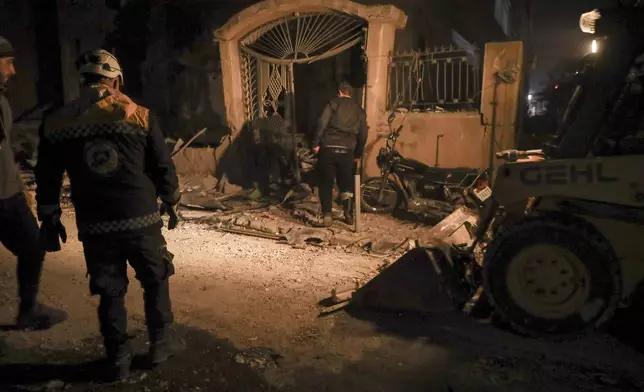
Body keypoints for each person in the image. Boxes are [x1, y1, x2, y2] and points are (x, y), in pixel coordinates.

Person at [35, 49, 183, 381]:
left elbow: (47, 173)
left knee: (109, 289)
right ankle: (161, 344)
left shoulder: (58, 121)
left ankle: (118, 358)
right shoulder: (138, 115)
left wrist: (50, 215)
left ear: (83, 80)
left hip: (95, 223)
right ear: (115, 80)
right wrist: (171, 200)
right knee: (155, 278)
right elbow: (162, 164)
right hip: (141, 218)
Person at [0, 36, 68, 330]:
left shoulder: (1, 101)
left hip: (8, 192)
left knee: (32, 247)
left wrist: (20, 185)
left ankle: (29, 310)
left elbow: (4, 151)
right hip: (2, 197)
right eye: (8, 62)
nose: (13, 71)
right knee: (32, 247)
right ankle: (27, 311)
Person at [311, 81, 367, 227]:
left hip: (328, 148)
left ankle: (327, 216)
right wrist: (357, 154)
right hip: (348, 150)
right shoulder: (359, 110)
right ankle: (348, 214)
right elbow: (363, 135)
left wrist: (315, 143)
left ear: (339, 92)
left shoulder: (332, 103)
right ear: (350, 93)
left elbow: (322, 123)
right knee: (346, 183)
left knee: (326, 182)